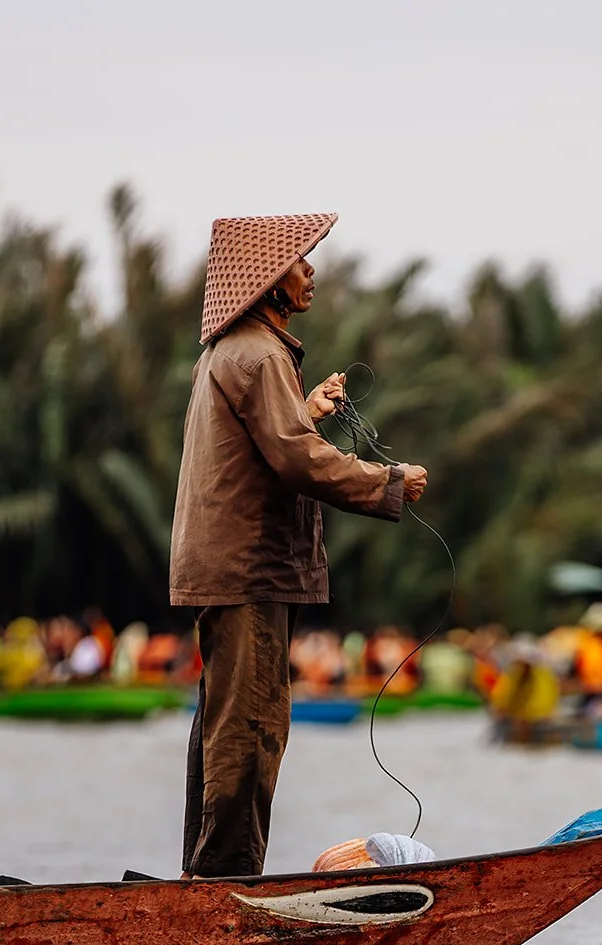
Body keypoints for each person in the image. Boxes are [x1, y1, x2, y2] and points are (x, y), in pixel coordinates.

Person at [170, 213, 427, 878]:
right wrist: (388, 482)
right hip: (252, 569)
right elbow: (296, 462)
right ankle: (225, 884)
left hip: (229, 567)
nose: (310, 271)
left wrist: (304, 412)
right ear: (267, 283)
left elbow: (271, 443)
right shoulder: (258, 356)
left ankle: (206, 879)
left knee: (223, 730)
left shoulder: (230, 352)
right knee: (250, 734)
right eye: (299, 262)